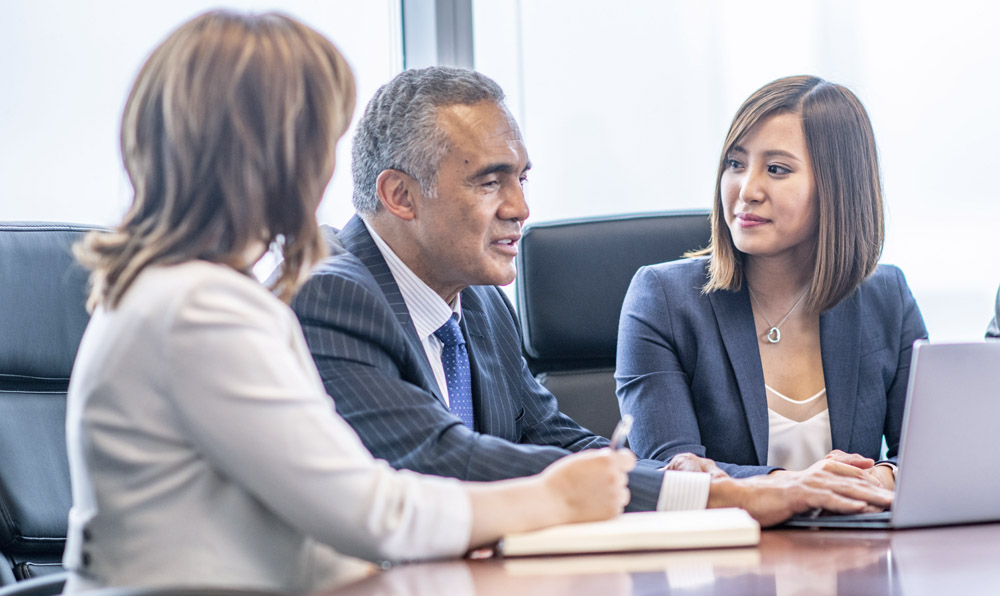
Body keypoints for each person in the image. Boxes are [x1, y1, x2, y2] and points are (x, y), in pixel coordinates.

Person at [63, 11, 638, 594]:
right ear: (273, 156)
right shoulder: (199, 309)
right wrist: (553, 496)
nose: (326, 169)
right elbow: (370, 512)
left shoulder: (175, 292)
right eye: (321, 141)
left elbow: (306, 531)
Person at [292, 66, 893, 527]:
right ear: (400, 196)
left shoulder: (476, 303)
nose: (520, 208)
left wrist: (684, 479)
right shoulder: (333, 295)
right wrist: (730, 493)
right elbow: (442, 459)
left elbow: (555, 442)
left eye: (521, 178)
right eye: (490, 181)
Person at [616, 75, 927, 490]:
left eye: (776, 169)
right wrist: (798, 486)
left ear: (839, 186)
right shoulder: (663, 299)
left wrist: (885, 476)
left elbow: (932, 455)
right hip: (727, 534)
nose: (747, 190)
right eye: (735, 164)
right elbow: (671, 472)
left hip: (858, 531)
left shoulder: (887, 297)